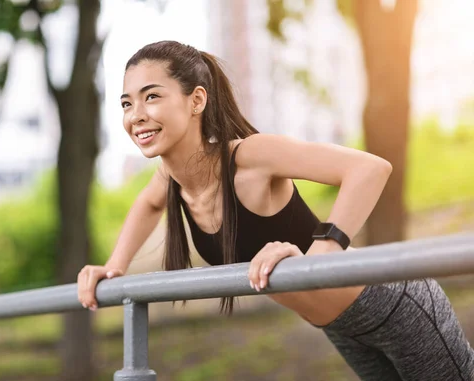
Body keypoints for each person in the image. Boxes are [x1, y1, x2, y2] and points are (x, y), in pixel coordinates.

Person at [77, 40, 474, 380]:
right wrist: (113, 267)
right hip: (339, 327)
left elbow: (369, 169)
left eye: (152, 96)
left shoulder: (250, 157)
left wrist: (318, 255)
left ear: (196, 99)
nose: (136, 115)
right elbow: (147, 204)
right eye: (127, 103)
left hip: (396, 307)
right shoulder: (170, 181)